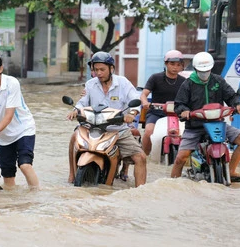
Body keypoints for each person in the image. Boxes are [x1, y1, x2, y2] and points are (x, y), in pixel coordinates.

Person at [66, 51, 147, 187]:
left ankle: (141, 192)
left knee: (140, 157)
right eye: (95, 70)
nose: (98, 73)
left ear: (111, 68)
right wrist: (75, 110)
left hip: (118, 130)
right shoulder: (90, 84)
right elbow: (83, 102)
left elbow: (135, 100)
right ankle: (72, 174)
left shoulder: (123, 83)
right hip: (92, 128)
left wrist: (131, 114)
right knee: (74, 136)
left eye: (102, 69)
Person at [171, 52, 240, 182]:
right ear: (196, 69)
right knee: (181, 157)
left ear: (211, 68)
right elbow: (179, 104)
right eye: (201, 70)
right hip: (195, 126)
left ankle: (231, 171)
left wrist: (238, 104)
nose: (204, 73)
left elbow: (231, 96)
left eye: (207, 70)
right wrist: (184, 111)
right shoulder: (188, 84)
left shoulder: (218, 80)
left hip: (218, 124)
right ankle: (172, 184)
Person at [0, 53, 39, 188]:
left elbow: (9, 115)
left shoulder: (12, 83)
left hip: (23, 129)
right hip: (3, 135)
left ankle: (36, 198)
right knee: (7, 174)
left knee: (24, 165)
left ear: (0, 69)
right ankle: (11, 205)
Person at [139, 50, 186, 156]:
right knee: (148, 132)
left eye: (178, 65)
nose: (175, 67)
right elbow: (143, 94)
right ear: (166, 64)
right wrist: (145, 103)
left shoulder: (184, 81)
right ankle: (143, 157)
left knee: (186, 134)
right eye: (172, 64)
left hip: (176, 114)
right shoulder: (155, 78)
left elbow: (189, 98)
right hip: (156, 112)